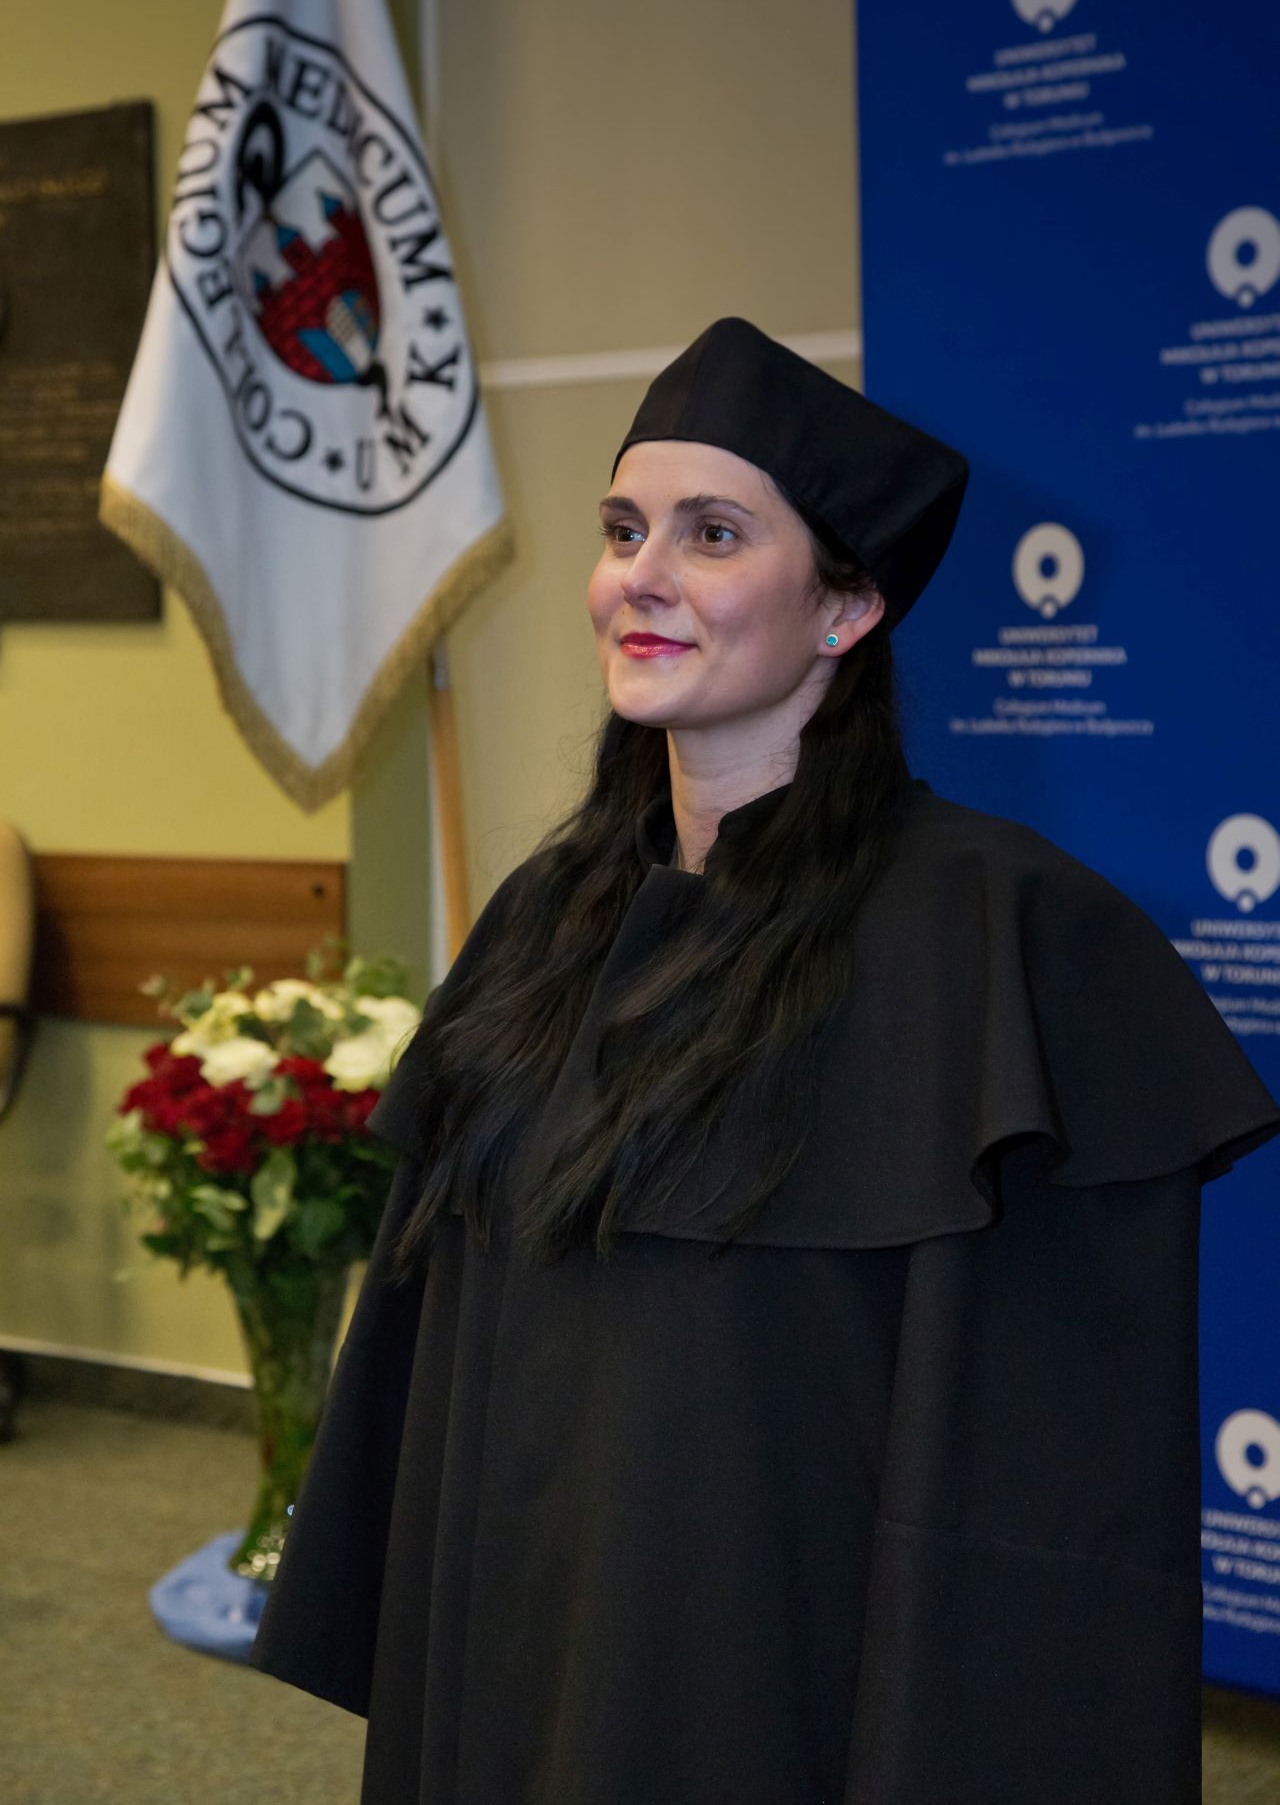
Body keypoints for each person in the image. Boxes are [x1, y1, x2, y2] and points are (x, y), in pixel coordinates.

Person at [248, 316, 1280, 1805]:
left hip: (777, 1676)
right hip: (525, 1627)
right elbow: (442, 1351)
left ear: (846, 606)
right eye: (623, 531)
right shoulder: (546, 915)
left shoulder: (1008, 931)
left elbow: (1042, 1480)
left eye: (713, 535)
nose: (640, 576)